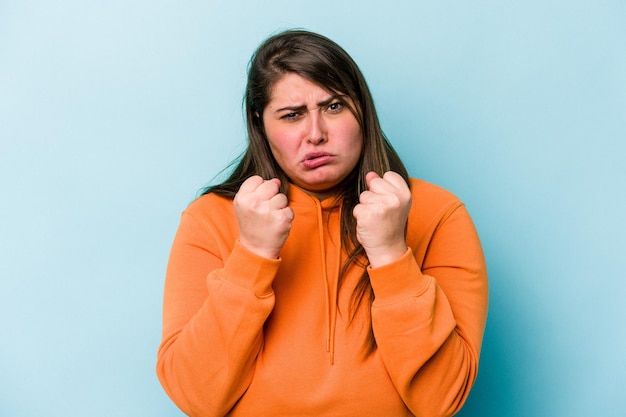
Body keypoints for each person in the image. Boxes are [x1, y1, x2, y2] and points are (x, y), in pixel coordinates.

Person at [156, 29, 488, 417]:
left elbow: (442, 400)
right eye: (292, 115)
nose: (316, 134)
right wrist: (252, 254)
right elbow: (195, 397)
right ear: (261, 124)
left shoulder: (438, 213)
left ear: (362, 111)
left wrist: (390, 253)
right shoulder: (210, 218)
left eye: (333, 107)